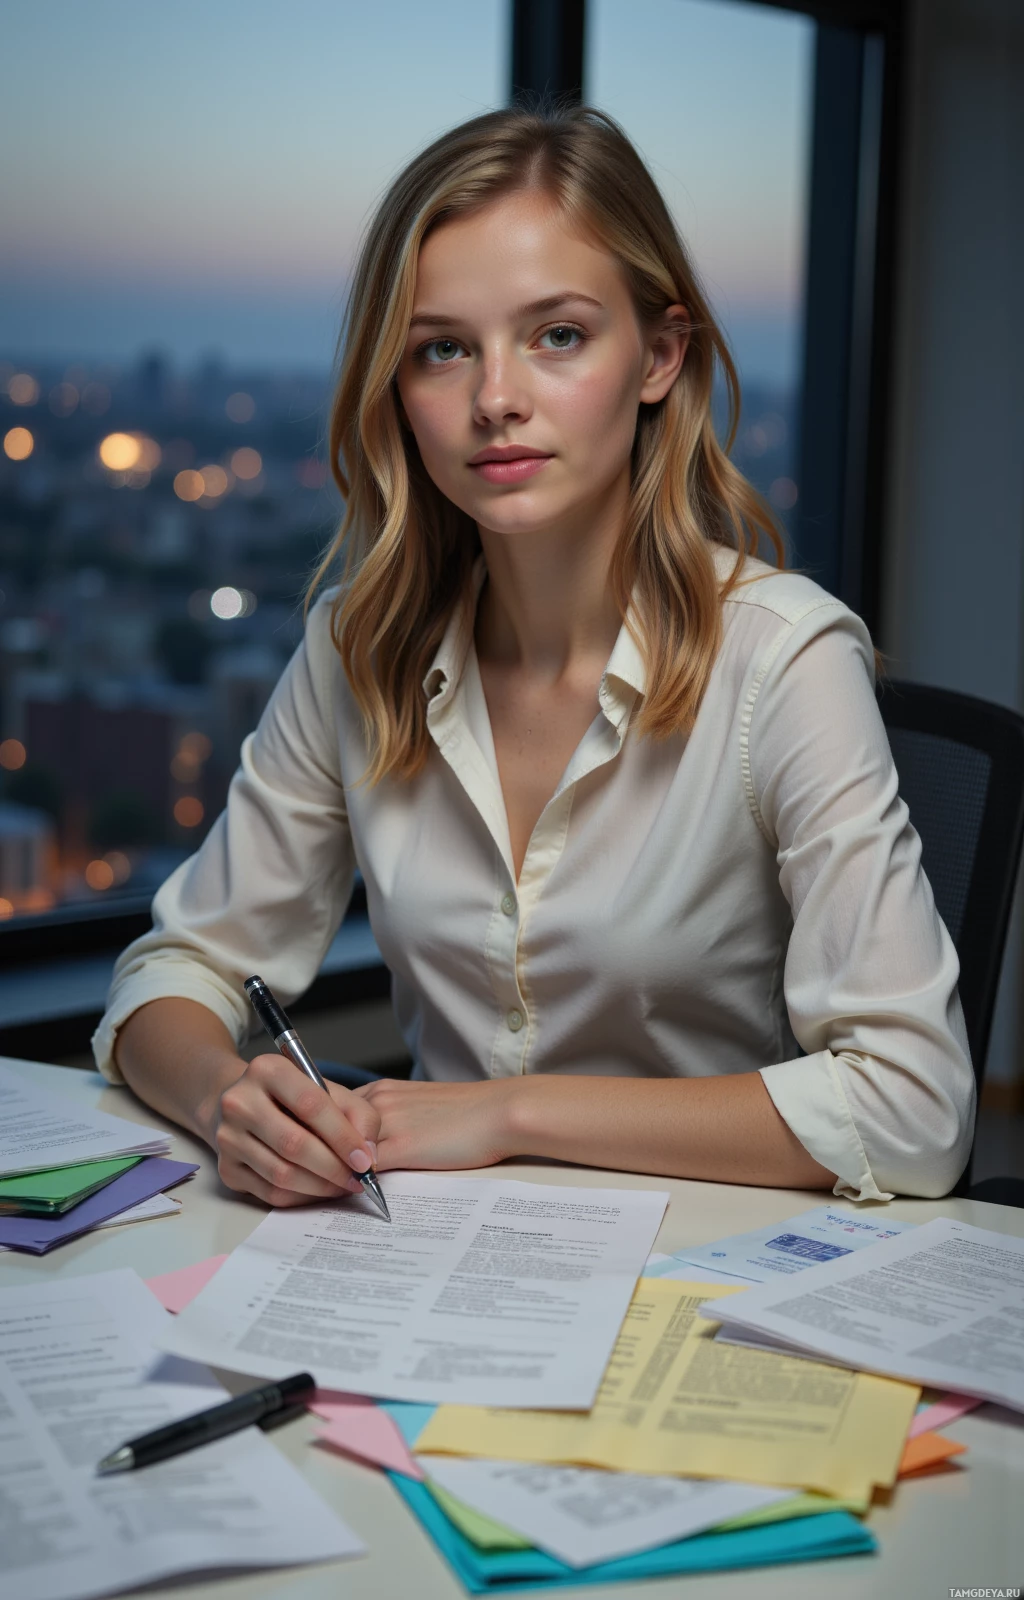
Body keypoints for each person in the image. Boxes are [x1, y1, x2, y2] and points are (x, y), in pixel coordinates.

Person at [95, 104, 974, 1207]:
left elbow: (915, 1109)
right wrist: (230, 1096)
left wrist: (509, 1112)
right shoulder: (355, 649)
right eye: (442, 348)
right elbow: (176, 969)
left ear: (659, 355)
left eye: (557, 334)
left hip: (712, 1276)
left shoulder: (784, 660)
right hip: (436, 1254)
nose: (495, 398)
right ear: (396, 389)